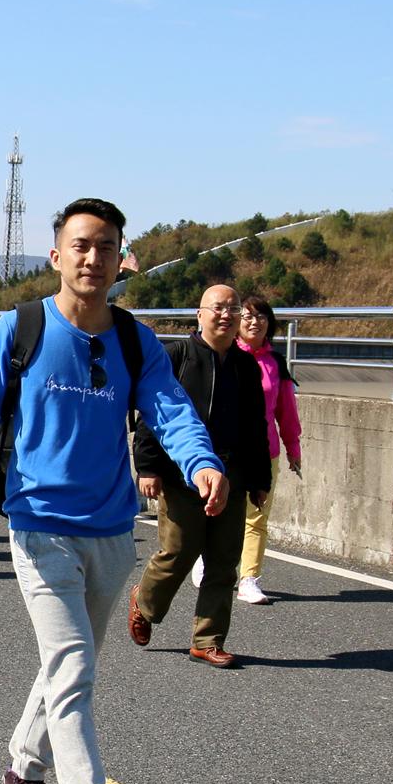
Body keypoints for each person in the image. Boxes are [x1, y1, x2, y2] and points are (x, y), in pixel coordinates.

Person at [0, 198, 225, 784]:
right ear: (57, 256)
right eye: (81, 245)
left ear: (121, 261)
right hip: (39, 526)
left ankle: (20, 771)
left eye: (106, 247)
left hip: (112, 530)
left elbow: (171, 410)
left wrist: (200, 461)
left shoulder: (135, 341)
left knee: (69, 663)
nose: (93, 258)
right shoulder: (21, 327)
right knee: (74, 663)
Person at [126, 284, 272, 668]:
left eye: (234, 309)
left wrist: (260, 479)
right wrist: (148, 467)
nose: (226, 315)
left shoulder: (246, 367)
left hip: (231, 476)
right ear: (199, 314)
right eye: (218, 308)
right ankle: (145, 601)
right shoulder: (175, 356)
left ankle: (208, 640)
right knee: (179, 550)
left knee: (224, 562)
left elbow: (256, 427)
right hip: (180, 476)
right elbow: (152, 415)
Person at [234, 294, 302, 604]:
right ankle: (209, 558)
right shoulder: (225, 354)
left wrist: (293, 448)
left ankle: (249, 579)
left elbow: (286, 411)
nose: (254, 322)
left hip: (265, 451)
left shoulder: (275, 362)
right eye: (248, 316)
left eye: (261, 316)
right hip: (228, 449)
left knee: (257, 517)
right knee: (220, 512)